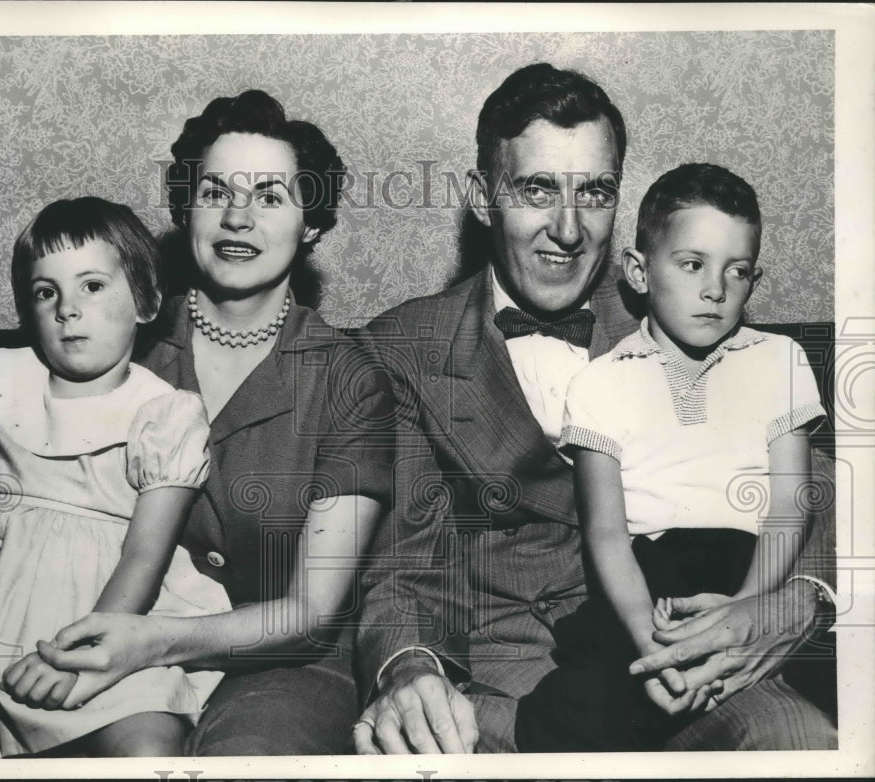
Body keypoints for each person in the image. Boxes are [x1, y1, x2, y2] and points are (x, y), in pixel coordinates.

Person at [354, 63, 837, 753]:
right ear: (484, 198)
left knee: (800, 740)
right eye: (537, 189)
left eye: (596, 193)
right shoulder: (402, 347)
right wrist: (409, 667)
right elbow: (402, 564)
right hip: (498, 691)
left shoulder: (680, 313)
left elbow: (816, 485)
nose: (569, 229)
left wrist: (799, 602)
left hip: (682, 655)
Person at [25, 90, 395, 755]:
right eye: (216, 190)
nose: (238, 218)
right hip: (100, 627)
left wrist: (156, 640)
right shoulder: (114, 335)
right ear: (185, 208)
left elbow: (311, 614)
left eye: (270, 197)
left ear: (311, 225)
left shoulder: (348, 378)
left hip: (283, 664)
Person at [515, 163, 833, 751]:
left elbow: (791, 507)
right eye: (692, 265)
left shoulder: (779, 359)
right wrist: (648, 639)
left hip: (754, 568)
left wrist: (748, 609)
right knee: (576, 716)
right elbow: (606, 535)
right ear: (639, 271)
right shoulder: (600, 383)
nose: (716, 288)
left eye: (736, 272)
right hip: (651, 583)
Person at [0, 197, 230, 758]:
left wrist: (80, 656)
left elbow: (144, 558)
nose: (67, 308)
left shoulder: (163, 416)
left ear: (146, 301)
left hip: (111, 628)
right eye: (46, 291)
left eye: (91, 286)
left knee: (147, 750)